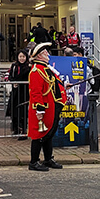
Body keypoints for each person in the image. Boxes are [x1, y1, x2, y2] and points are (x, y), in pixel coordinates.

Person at [28, 41, 67, 171]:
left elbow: (53, 84)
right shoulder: (36, 71)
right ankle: (34, 162)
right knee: (39, 136)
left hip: (51, 106)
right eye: (45, 53)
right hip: (43, 108)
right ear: (39, 56)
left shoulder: (45, 69)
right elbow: (36, 92)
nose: (48, 54)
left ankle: (48, 159)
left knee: (49, 134)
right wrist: (40, 109)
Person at [8, 49, 31, 139]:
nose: (22, 58)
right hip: (15, 91)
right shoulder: (14, 66)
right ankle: (16, 128)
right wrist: (13, 82)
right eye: (20, 56)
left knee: (23, 112)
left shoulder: (28, 67)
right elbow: (10, 76)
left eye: (23, 57)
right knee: (14, 110)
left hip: (24, 91)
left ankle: (23, 131)